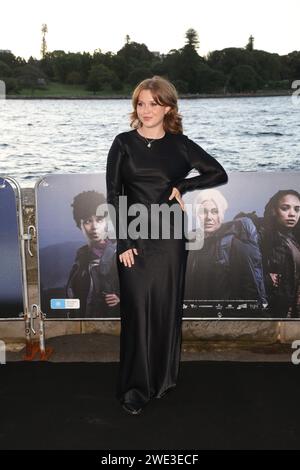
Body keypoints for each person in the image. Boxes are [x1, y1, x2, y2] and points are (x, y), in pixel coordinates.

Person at [106, 75, 228, 415]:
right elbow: (113, 195)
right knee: (136, 310)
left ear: (168, 107)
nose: (146, 110)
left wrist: (182, 185)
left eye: (154, 104)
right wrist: (125, 241)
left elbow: (218, 174)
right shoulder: (123, 143)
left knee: (165, 307)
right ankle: (134, 387)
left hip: (170, 237)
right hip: (135, 235)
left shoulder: (180, 145)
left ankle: (161, 379)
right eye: (141, 103)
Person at [184, 189, 267, 317]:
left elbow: (250, 290)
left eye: (215, 211)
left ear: (221, 215)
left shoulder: (234, 245)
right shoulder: (190, 244)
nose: (209, 217)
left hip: (225, 320)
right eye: (203, 212)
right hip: (195, 319)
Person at [66, 190, 120, 318]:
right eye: (87, 221)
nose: (94, 227)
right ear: (80, 225)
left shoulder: (120, 253)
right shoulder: (81, 258)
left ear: (107, 223)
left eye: (99, 220)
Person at [261, 190, 300, 318]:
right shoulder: (262, 236)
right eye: (285, 208)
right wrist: (266, 277)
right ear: (273, 211)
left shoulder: (294, 240)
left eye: (297, 209)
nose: (292, 214)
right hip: (275, 311)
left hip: (294, 309)